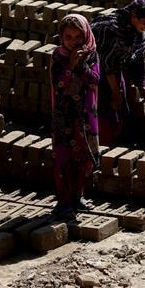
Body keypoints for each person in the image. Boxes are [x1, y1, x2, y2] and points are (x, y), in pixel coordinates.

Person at [51, 14, 100, 217]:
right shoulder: (58, 56)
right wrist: (71, 66)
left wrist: (81, 65)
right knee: (64, 157)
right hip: (64, 116)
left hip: (85, 115)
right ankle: (63, 200)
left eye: (78, 37)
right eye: (68, 37)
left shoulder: (92, 56)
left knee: (83, 156)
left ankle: (78, 196)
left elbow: (95, 80)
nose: (73, 42)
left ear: (86, 36)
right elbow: (59, 84)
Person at [90, 0, 145, 145]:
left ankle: (116, 144)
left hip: (116, 73)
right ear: (134, 16)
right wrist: (115, 91)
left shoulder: (138, 35)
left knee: (121, 109)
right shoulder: (110, 29)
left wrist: (141, 85)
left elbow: (138, 60)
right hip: (95, 74)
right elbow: (107, 64)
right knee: (102, 111)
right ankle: (101, 147)